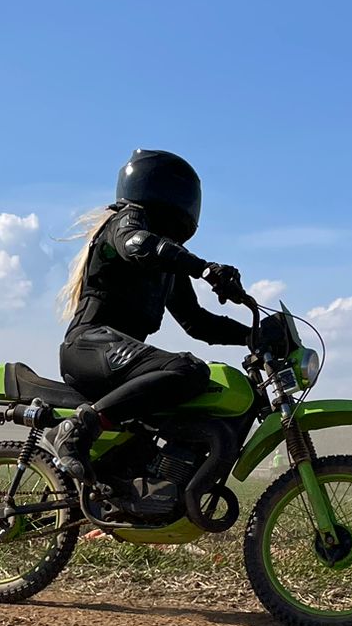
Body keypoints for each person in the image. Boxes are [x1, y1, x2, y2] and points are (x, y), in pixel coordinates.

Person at [50, 150, 253, 515]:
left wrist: (253, 334)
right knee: (187, 370)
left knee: (176, 408)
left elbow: (197, 322)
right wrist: (204, 269)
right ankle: (80, 428)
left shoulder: (167, 262)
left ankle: (125, 493)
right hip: (88, 347)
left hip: (118, 360)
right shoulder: (126, 222)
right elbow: (138, 245)